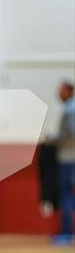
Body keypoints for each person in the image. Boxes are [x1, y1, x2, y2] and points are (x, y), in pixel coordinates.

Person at [54, 81, 75, 242]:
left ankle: (67, 233)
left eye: (61, 90)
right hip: (69, 157)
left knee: (66, 195)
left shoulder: (70, 109)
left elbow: (70, 133)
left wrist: (53, 139)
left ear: (68, 91)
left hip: (68, 158)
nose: (58, 93)